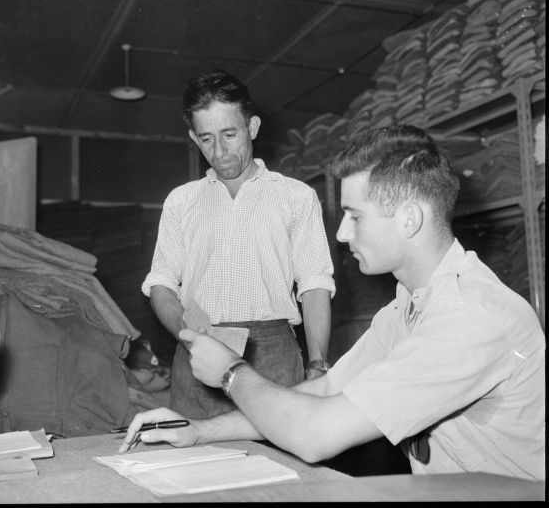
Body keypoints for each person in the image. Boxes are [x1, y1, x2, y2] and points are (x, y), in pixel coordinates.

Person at [124, 125, 544, 482]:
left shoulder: (470, 316)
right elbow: (325, 389)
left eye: (355, 216)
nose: (342, 233)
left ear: (409, 218)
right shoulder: (408, 307)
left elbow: (315, 434)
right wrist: (200, 431)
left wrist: (231, 374)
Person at [141, 69, 335, 419]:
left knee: (281, 464)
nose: (219, 151)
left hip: (272, 353)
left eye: (230, 134)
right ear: (193, 137)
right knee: (197, 462)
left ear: (253, 128)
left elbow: (315, 285)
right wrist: (190, 338)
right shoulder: (181, 202)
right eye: (207, 138)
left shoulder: (296, 197)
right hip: (198, 351)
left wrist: (318, 365)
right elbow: (162, 285)